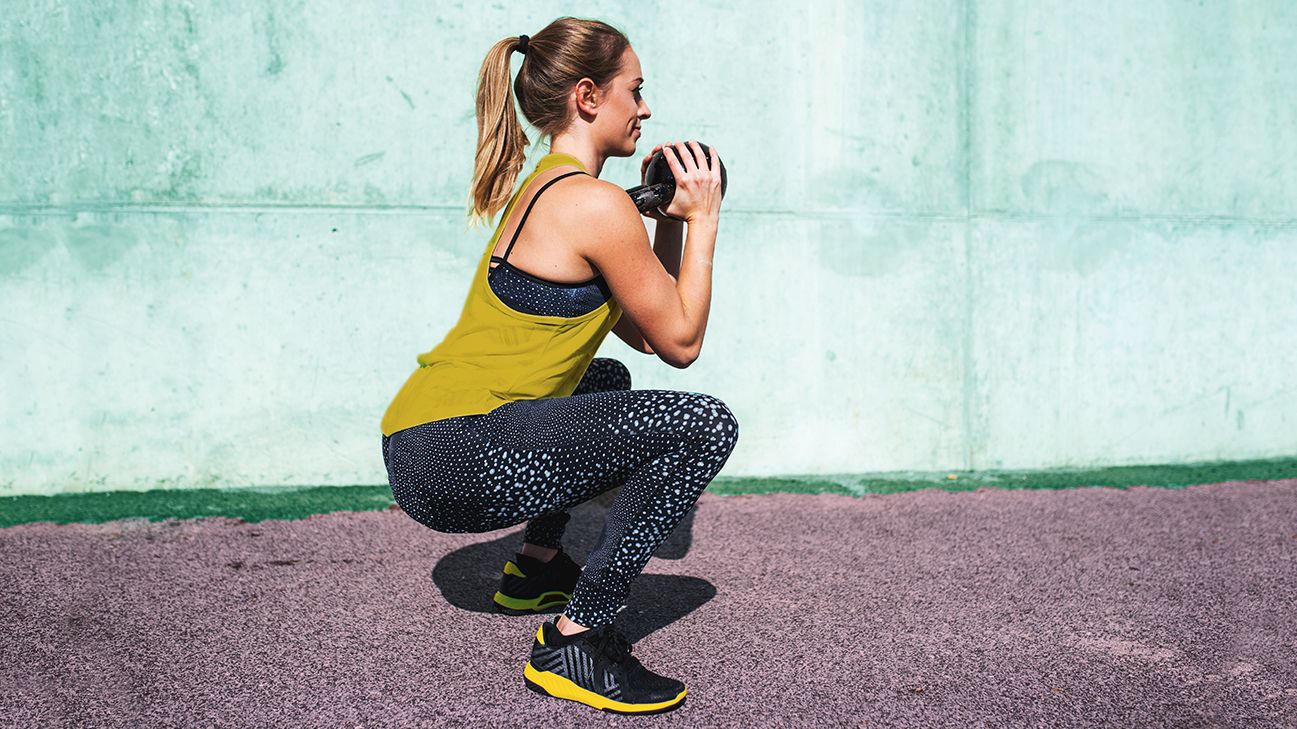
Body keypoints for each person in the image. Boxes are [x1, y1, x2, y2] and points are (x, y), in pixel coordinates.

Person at [379, 16, 737, 715]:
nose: (645, 108)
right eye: (635, 90)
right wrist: (706, 220)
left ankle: (534, 567)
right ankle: (576, 638)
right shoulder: (594, 205)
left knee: (603, 378)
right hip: (457, 455)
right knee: (702, 425)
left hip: (424, 442)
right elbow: (683, 342)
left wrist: (665, 217)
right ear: (587, 95)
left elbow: (644, 329)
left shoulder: (551, 187)